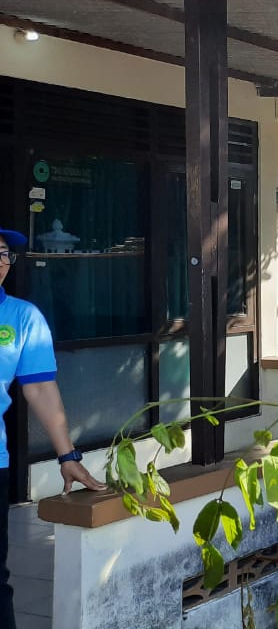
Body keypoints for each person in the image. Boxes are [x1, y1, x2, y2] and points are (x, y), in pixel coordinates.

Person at [0, 227, 106, 629]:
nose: (0, 261)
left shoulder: (23, 317)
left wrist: (67, 455)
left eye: (4, 253)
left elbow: (41, 389)